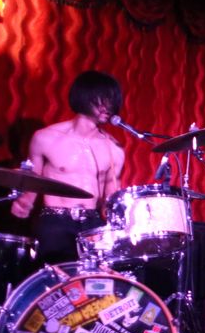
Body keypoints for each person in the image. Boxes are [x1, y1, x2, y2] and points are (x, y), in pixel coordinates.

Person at [11, 71, 125, 264]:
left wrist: (120, 214)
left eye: (112, 101)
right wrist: (24, 203)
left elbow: (111, 197)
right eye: (103, 99)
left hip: (92, 223)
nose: (109, 106)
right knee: (55, 277)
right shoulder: (46, 138)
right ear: (85, 95)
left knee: (94, 280)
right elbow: (32, 181)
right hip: (56, 221)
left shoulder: (114, 149)